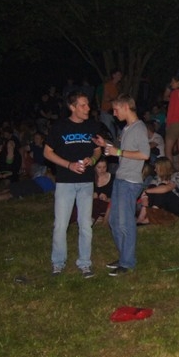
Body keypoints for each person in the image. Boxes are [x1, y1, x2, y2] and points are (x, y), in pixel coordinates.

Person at [43, 91, 103, 278]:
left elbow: (98, 150)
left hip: (86, 183)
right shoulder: (59, 127)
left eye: (88, 104)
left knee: (85, 224)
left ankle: (85, 263)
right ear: (72, 107)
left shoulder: (92, 126)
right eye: (83, 105)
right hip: (65, 182)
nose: (88, 108)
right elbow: (47, 152)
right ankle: (58, 263)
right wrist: (69, 165)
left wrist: (93, 160)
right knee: (61, 225)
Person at [99, 94, 150, 276]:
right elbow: (122, 151)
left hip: (130, 181)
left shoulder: (139, 128)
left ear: (126, 107)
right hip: (121, 179)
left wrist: (118, 152)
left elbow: (145, 154)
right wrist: (106, 145)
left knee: (125, 222)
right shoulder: (127, 128)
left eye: (116, 109)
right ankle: (124, 257)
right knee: (114, 221)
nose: (114, 113)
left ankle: (127, 262)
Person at [137, 157, 179, 223]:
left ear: (162, 168)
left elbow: (166, 188)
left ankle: (151, 217)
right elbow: (148, 192)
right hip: (165, 207)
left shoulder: (176, 175)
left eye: (156, 168)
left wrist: (146, 191)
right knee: (152, 187)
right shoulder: (156, 178)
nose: (155, 170)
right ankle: (141, 218)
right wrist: (145, 198)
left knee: (161, 188)